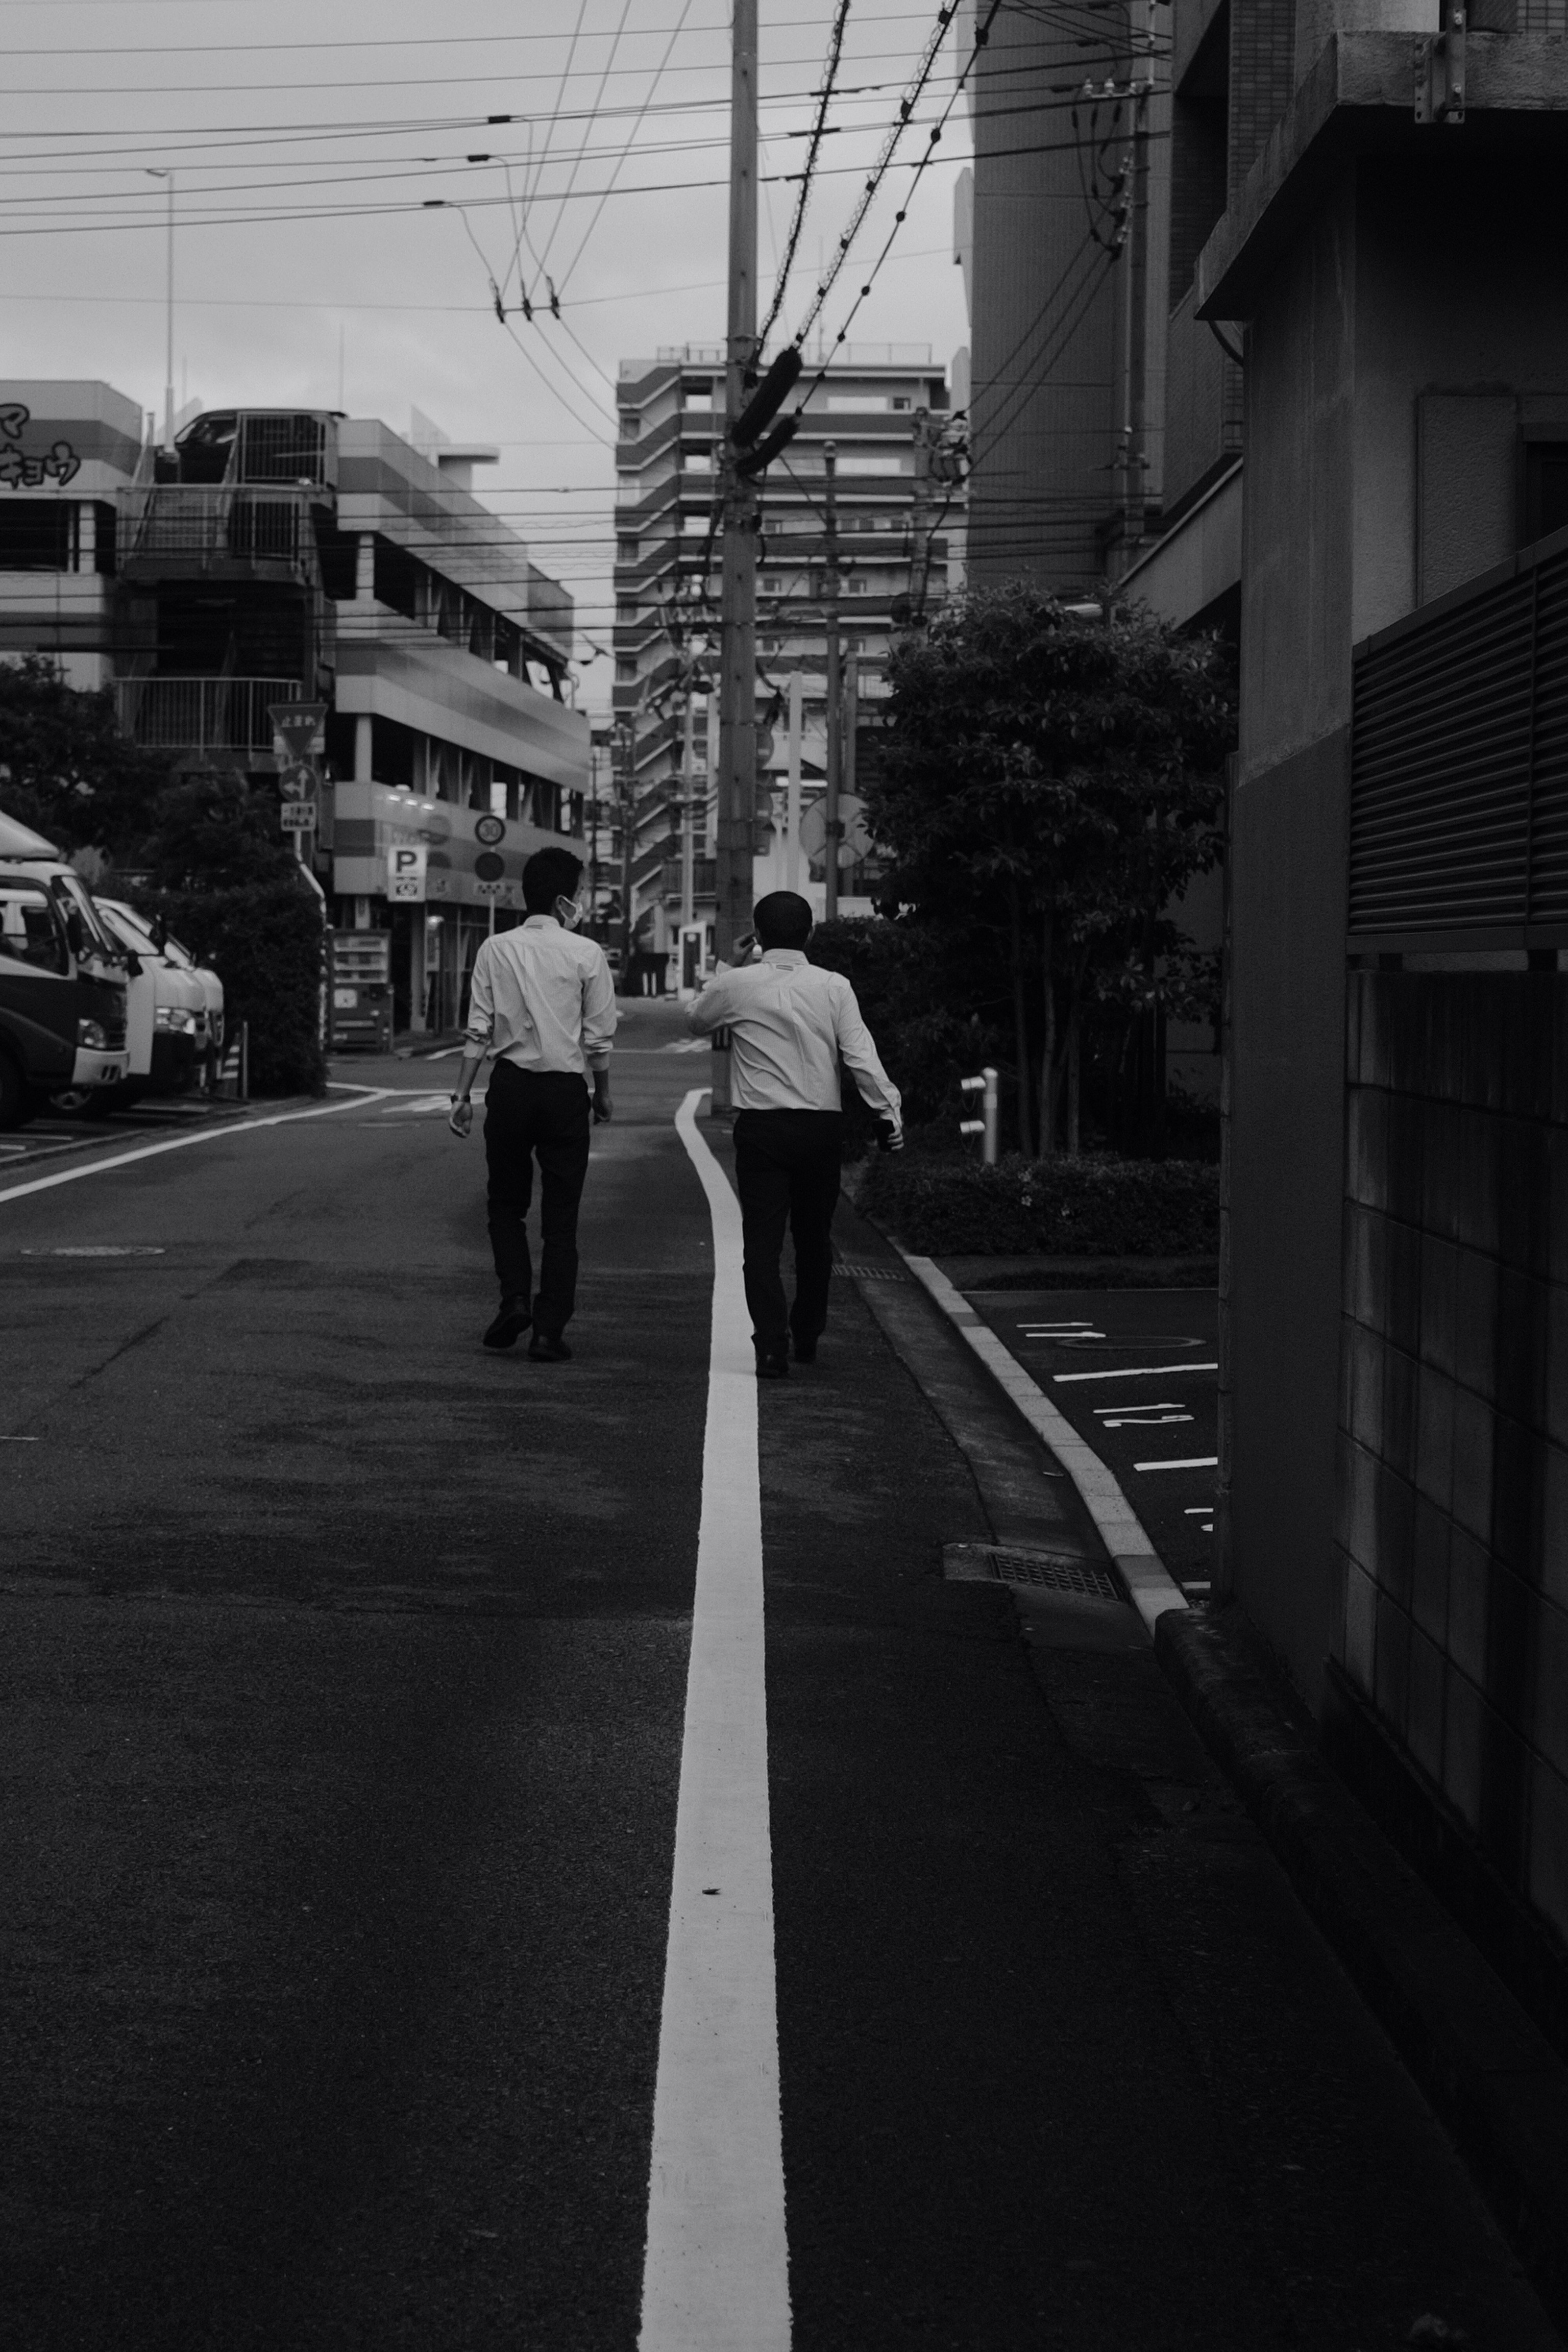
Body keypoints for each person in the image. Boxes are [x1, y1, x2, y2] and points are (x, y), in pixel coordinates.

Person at [685, 889, 902, 1378]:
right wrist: (888, 1116)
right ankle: (807, 1335)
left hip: (761, 1129)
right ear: (809, 934)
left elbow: (696, 1019)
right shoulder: (834, 986)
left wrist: (725, 969)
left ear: (758, 937)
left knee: (761, 1243)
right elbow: (861, 1058)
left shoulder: (738, 984)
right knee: (814, 1238)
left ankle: (770, 1346)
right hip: (820, 1129)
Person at [447, 846, 616, 1361]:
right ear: (567, 899)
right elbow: (599, 1038)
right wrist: (602, 1094)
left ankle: (515, 1297)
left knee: (506, 1205)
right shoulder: (587, 954)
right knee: (561, 1218)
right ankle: (548, 1331)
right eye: (580, 894)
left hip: (511, 1087)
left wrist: (461, 1095)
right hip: (565, 1091)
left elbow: (478, 1028)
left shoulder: (495, 949)